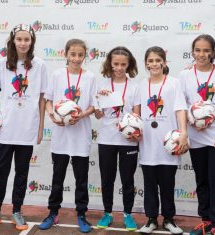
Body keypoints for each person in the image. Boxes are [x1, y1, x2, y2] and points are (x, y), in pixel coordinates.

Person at [0, 24, 47, 231]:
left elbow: (42, 99)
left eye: (27, 39)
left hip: (28, 129)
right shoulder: (2, 64)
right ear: (13, 41)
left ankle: (17, 211)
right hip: (7, 128)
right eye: (19, 39)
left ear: (32, 42)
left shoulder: (39, 65)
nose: (23, 43)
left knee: (22, 173)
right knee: (1, 171)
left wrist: (41, 127)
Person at [38, 39, 95, 233]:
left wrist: (82, 115)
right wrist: (52, 115)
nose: (76, 58)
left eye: (80, 55)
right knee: (57, 178)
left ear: (84, 56)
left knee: (81, 179)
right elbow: (48, 100)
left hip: (81, 135)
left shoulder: (90, 77)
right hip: (61, 136)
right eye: (73, 54)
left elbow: (93, 105)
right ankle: (52, 213)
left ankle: (81, 215)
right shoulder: (57, 75)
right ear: (66, 55)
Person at [179, 34, 215, 235]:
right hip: (195, 136)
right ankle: (206, 221)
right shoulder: (185, 75)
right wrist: (190, 125)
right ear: (193, 51)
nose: (202, 54)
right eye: (198, 50)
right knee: (202, 180)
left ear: (212, 52)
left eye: (206, 50)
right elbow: (181, 106)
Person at [138, 46, 188, 235]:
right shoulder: (141, 85)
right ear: (146, 64)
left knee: (168, 184)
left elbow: (180, 109)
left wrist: (183, 133)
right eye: (150, 61)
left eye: (158, 60)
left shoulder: (173, 83)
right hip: (147, 144)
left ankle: (168, 219)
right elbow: (136, 112)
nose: (154, 64)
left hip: (169, 144)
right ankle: (151, 219)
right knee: (149, 184)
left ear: (164, 63)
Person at [94, 46, 140, 231]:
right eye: (116, 64)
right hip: (106, 139)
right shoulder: (102, 85)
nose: (119, 68)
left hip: (128, 140)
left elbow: (137, 115)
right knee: (107, 179)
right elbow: (98, 115)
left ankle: (128, 214)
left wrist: (133, 130)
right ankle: (107, 213)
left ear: (129, 65)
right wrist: (99, 99)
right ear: (109, 64)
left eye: (123, 64)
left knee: (127, 179)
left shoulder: (135, 86)